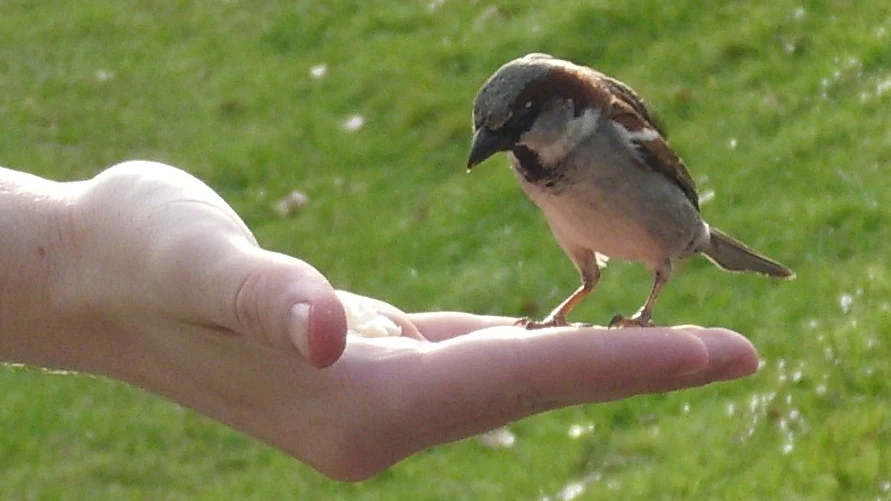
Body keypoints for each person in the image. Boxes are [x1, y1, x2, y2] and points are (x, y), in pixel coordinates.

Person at [0, 160, 759, 481]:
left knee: (661, 264)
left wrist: (86, 251)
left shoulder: (614, 136)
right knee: (585, 277)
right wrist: (86, 256)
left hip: (672, 236)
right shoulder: (534, 162)